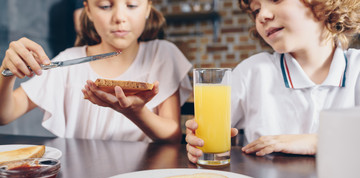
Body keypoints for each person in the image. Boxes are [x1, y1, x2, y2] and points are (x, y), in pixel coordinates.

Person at [186, 0, 360, 162]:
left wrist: (317, 141)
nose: (262, 16)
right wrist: (197, 140)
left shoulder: (357, 69)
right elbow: (204, 135)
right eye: (256, 10)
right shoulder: (252, 72)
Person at [0, 0, 192, 143]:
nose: (119, 17)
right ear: (88, 10)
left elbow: (172, 136)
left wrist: (135, 112)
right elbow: (5, 115)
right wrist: (5, 73)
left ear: (148, 8)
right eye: (105, 6)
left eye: (132, 5)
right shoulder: (68, 61)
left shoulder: (162, 54)